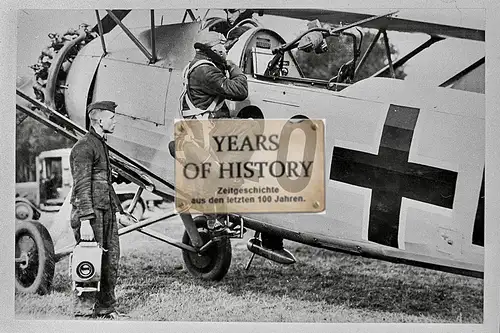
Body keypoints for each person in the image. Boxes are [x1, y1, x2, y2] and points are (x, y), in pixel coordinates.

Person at [69, 100, 127, 319]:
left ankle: (105, 307)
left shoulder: (100, 144)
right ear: (100, 120)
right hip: (91, 214)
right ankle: (84, 311)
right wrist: (85, 220)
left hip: (106, 211)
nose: (116, 121)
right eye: (112, 117)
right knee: (90, 262)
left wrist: (118, 211)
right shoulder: (84, 147)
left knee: (110, 261)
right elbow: (81, 185)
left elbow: (106, 183)